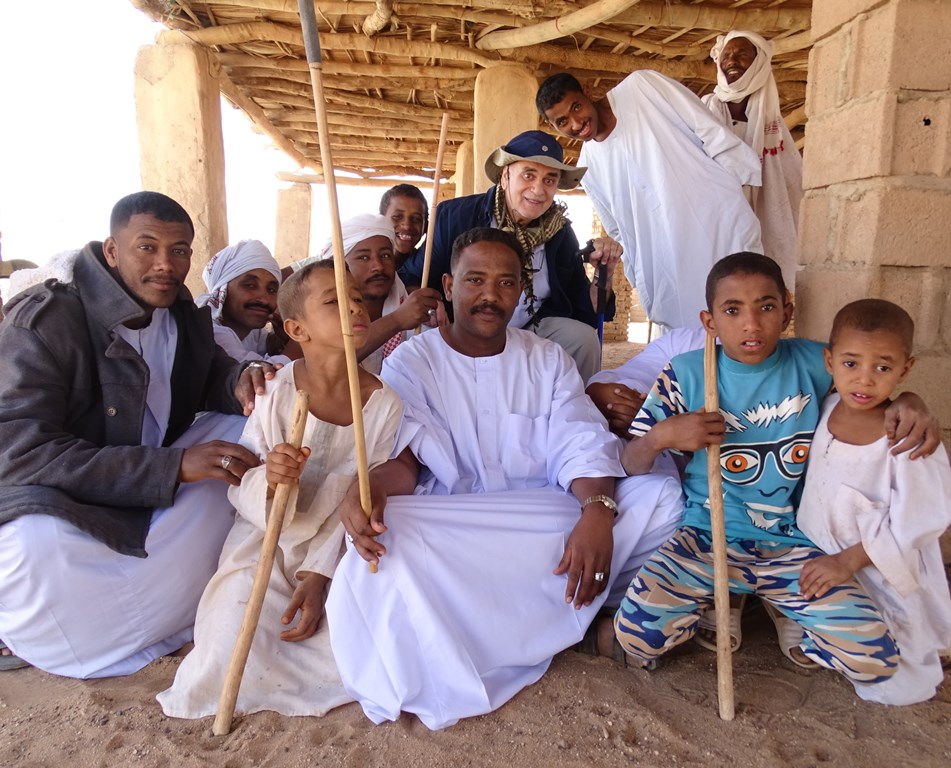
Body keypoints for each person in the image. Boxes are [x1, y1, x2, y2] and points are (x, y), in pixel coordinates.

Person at [325, 227, 683, 730]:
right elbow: (404, 461)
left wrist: (597, 513)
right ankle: (563, 622)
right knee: (390, 532)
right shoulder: (414, 359)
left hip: (545, 517)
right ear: (448, 286)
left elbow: (579, 442)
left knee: (661, 496)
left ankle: (582, 612)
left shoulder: (546, 358)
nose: (490, 295)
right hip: (461, 525)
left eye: (506, 283)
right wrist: (369, 492)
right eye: (475, 280)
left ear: (521, 290)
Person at [612, 253, 939, 682]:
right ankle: (720, 598)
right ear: (710, 322)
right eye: (733, 311)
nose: (751, 324)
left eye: (766, 307)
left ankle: (774, 603)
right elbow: (630, 463)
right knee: (636, 635)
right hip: (707, 535)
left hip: (796, 543)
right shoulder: (686, 374)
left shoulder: (816, 362)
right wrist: (663, 436)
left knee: (874, 659)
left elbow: (870, 384)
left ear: (788, 309)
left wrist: (911, 402)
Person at [0, 191, 275, 678]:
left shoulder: (182, 312)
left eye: (180, 250)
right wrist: (171, 469)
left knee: (251, 440)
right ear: (112, 250)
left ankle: (175, 602)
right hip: (70, 501)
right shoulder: (45, 322)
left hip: (152, 480)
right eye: (147, 247)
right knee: (31, 550)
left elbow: (211, 374)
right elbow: (19, 450)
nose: (165, 265)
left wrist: (243, 380)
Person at [158, 260, 403, 718]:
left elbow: (361, 497)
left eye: (355, 297)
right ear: (297, 328)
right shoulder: (276, 389)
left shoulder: (384, 403)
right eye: (334, 300)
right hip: (264, 543)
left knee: (354, 639)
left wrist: (318, 576)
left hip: (335, 551)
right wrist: (271, 479)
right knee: (233, 631)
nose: (353, 305)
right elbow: (243, 480)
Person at [797, 299, 951, 705]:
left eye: (882, 368)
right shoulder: (824, 408)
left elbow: (917, 522)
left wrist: (848, 561)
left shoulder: (909, 440)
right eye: (851, 364)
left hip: (883, 569)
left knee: (899, 678)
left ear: (906, 368)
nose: (864, 381)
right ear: (829, 361)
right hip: (824, 556)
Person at [536, 72, 763, 332]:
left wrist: (736, 182)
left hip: (716, 222)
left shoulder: (641, 87)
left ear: (587, 90)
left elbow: (706, 126)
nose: (576, 123)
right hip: (667, 258)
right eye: (562, 121)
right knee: (688, 334)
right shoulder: (588, 165)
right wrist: (641, 273)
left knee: (746, 310)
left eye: (576, 107)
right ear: (552, 125)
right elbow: (617, 228)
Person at [402, 130, 621, 383]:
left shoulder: (559, 232)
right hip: (463, 325)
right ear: (505, 176)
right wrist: (432, 302)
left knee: (582, 338)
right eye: (528, 175)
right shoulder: (456, 216)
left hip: (531, 327)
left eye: (550, 180)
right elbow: (413, 276)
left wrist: (604, 274)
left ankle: (574, 412)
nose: (538, 190)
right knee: (417, 331)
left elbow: (585, 309)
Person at [702, 30, 803, 290]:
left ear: (759, 63)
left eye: (742, 55)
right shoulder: (704, 113)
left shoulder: (774, 127)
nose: (732, 61)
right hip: (713, 227)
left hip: (759, 230)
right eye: (727, 55)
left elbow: (790, 184)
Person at [296, 214, 443, 375]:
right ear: (339, 266)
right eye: (363, 257)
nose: (378, 266)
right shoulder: (317, 318)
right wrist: (396, 320)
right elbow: (323, 367)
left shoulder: (419, 319)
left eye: (386, 255)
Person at [196, 239, 292, 364]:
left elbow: (269, 349)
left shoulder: (253, 332)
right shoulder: (212, 331)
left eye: (272, 290)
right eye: (250, 285)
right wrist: (300, 343)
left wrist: (284, 339)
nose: (264, 299)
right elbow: (266, 377)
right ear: (222, 291)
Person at [379, 183, 428, 281]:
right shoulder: (368, 264)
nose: (407, 226)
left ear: (426, 226)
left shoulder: (427, 269)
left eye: (416, 219)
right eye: (397, 217)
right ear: (380, 220)